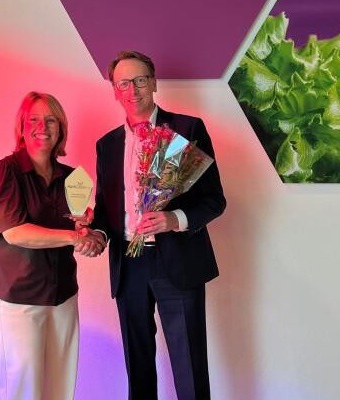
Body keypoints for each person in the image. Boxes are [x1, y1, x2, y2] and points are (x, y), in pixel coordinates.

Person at [91, 51, 226, 400]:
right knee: (137, 370)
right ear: (115, 90)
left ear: (153, 83)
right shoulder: (107, 145)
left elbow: (214, 200)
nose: (133, 89)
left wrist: (173, 219)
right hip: (128, 267)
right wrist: (95, 233)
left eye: (140, 80)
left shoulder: (186, 130)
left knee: (190, 368)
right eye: (124, 83)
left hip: (177, 263)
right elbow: (105, 211)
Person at [0, 91, 106, 400]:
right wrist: (74, 238)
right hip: (19, 297)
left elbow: (78, 224)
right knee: (23, 388)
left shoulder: (72, 178)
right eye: (33, 119)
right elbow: (15, 233)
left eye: (50, 120)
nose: (42, 127)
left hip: (63, 293)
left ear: (61, 127)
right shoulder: (4, 171)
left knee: (60, 386)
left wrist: (89, 232)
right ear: (21, 127)